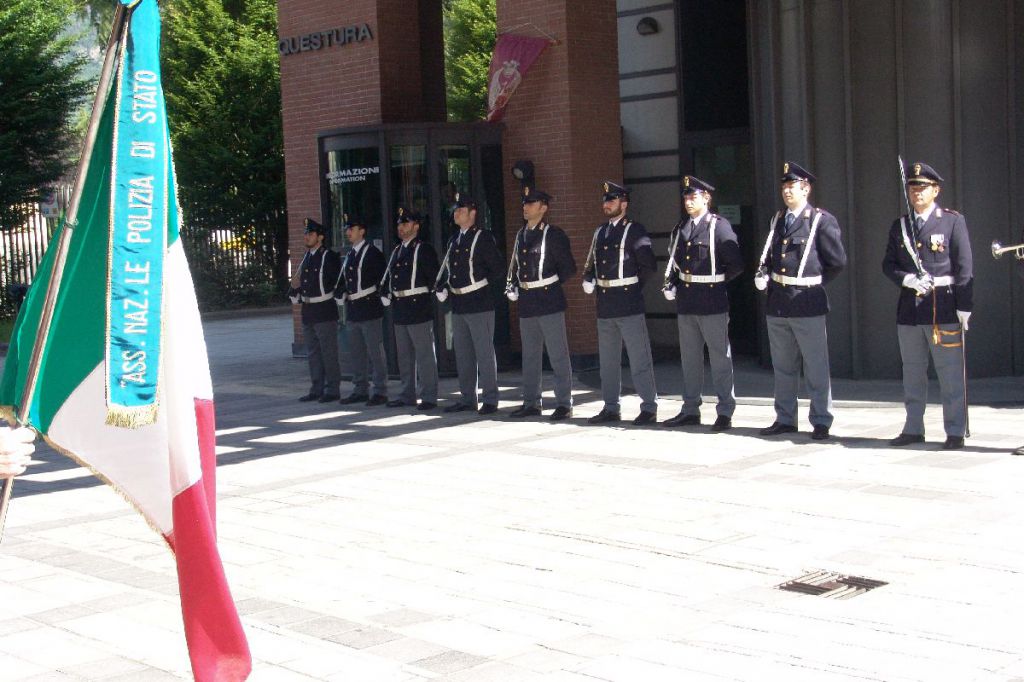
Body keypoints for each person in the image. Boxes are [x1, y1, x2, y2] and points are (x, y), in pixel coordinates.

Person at [882, 162, 973, 450]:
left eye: (923, 187)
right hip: (910, 309)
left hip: (943, 306)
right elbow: (888, 264)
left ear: (936, 190)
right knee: (912, 370)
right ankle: (913, 427)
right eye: (912, 187)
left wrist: (964, 305)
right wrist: (906, 279)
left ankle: (955, 430)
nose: (917, 192)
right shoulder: (901, 225)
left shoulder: (951, 221)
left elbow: (964, 266)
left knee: (950, 373)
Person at [754, 162, 847, 440]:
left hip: (807, 302)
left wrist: (812, 283)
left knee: (816, 366)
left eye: (792, 186)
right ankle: (785, 418)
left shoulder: (820, 220)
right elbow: (774, 256)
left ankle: (821, 419)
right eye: (784, 187)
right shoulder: (778, 220)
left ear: (806, 189)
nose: (787, 192)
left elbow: (837, 262)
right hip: (779, 301)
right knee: (783, 366)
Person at [661, 176, 743, 431]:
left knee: (720, 358)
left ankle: (725, 410)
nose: (688, 201)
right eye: (686, 197)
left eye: (693, 196)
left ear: (706, 198)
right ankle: (690, 408)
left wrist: (714, 281)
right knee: (690, 359)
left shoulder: (718, 226)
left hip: (711, 300)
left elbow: (736, 265)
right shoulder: (681, 228)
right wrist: (672, 283)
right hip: (687, 302)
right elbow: (676, 262)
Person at [581, 181, 658, 425]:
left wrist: (631, 287)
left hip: (628, 302)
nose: (607, 204)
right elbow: (593, 263)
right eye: (605, 200)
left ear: (624, 204)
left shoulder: (634, 230)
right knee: (608, 361)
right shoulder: (600, 232)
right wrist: (590, 278)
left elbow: (648, 266)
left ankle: (648, 406)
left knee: (639, 359)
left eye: (611, 200)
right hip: (605, 303)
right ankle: (611, 406)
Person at [505, 187, 577, 421]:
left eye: (531, 203)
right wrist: (514, 285)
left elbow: (568, 269)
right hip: (527, 301)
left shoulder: (553, 234)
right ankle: (531, 402)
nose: (525, 207)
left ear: (543, 208)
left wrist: (546, 283)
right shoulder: (521, 235)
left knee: (557, 355)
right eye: (525, 203)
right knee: (530, 355)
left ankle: (564, 403)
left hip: (548, 299)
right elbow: (516, 266)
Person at [435, 193, 505, 415]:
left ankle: (490, 399)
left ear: (473, 213)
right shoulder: (454, 240)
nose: (456, 213)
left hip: (479, 301)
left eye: (461, 210)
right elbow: (451, 271)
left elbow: (497, 269)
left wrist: (480, 285)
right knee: (463, 354)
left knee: (484, 352)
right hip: (459, 302)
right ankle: (467, 398)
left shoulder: (482, 237)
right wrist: (445, 287)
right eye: (455, 210)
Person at [381, 207, 440, 410]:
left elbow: (434, 278)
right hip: (400, 306)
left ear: (416, 226)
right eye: (399, 224)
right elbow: (391, 277)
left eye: (405, 223)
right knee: (404, 356)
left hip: (418, 306)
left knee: (424, 355)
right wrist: (386, 291)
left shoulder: (423, 249)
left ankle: (429, 396)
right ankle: (408, 393)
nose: (401, 227)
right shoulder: (397, 250)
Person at [336, 216, 389, 406]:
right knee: (357, 352)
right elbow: (345, 281)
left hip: (369, 307)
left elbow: (382, 279)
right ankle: (360, 388)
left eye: (352, 228)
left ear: (362, 231)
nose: (348, 232)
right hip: (354, 308)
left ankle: (380, 390)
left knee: (375, 352)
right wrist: (342, 291)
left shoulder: (373, 253)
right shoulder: (350, 254)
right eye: (347, 229)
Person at [288, 218, 342, 402]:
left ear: (320, 237)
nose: (306, 237)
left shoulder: (329, 256)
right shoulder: (306, 257)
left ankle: (332, 389)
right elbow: (301, 283)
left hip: (324, 309)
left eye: (310, 234)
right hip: (309, 310)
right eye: (306, 234)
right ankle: (317, 387)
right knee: (313, 352)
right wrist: (295, 288)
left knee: (328, 352)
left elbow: (336, 282)